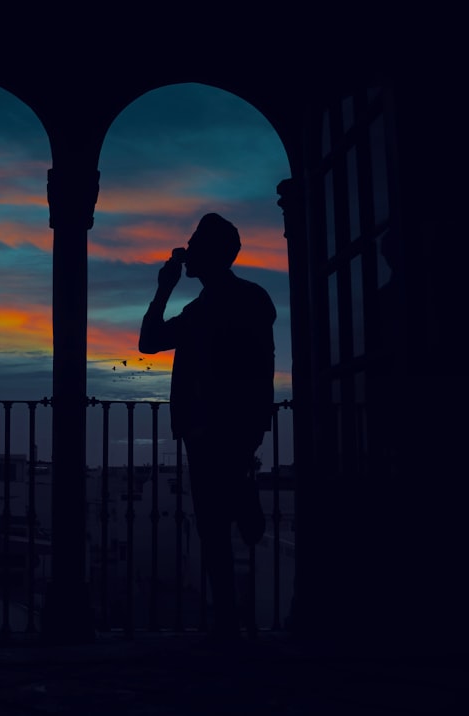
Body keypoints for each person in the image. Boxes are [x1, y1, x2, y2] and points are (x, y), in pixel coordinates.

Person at [139, 212, 275, 638]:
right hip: (229, 427)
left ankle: (227, 621)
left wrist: (164, 289)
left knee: (210, 523)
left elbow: (149, 340)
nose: (187, 249)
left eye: (194, 244)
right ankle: (228, 619)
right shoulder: (248, 299)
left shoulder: (205, 310)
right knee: (213, 521)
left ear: (213, 254)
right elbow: (263, 366)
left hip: (206, 428)